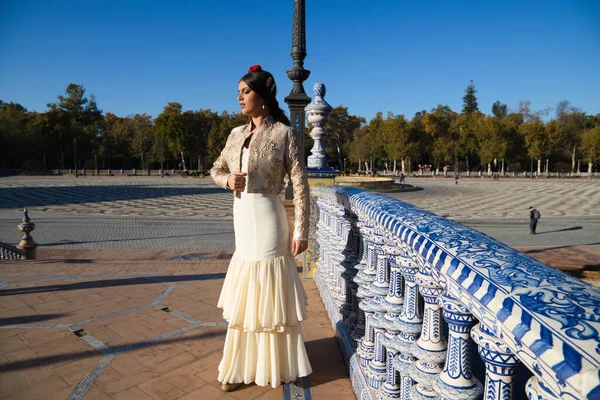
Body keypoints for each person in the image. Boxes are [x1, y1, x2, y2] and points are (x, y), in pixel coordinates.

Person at [210, 65, 312, 391]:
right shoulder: (235, 135)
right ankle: (237, 367)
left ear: (262, 95)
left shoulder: (285, 134)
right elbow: (215, 168)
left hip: (270, 218)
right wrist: (227, 179)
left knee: (268, 290)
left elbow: (300, 185)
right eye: (239, 92)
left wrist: (301, 232)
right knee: (247, 295)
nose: (239, 97)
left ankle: (279, 364)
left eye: (245, 91)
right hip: (242, 217)